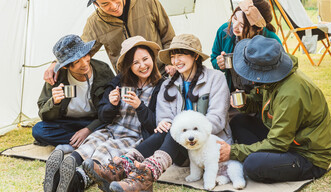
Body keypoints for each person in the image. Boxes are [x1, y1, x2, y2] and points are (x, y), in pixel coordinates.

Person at [83, 34, 232, 192]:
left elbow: (217, 120)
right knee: (169, 128)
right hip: (181, 150)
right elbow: (164, 117)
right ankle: (122, 167)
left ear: (195, 56)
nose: (176, 61)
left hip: (209, 145)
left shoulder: (216, 79)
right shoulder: (168, 84)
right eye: (173, 57)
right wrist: (164, 122)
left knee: (175, 129)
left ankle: (144, 174)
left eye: (181, 55)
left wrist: (180, 127)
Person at [43, 36, 164, 192]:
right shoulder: (120, 81)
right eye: (135, 63)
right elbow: (104, 115)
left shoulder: (160, 86)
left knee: (105, 149)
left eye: (145, 59)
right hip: (110, 128)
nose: (142, 66)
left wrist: (139, 106)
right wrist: (111, 105)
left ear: (153, 59)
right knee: (93, 141)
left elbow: (156, 125)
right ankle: (67, 167)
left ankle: (75, 179)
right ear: (129, 66)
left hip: (134, 135)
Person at [217, 35, 331, 183]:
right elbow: (261, 101)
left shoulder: (291, 93)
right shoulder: (274, 79)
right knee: (239, 121)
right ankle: (264, 157)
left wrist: (233, 152)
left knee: (253, 165)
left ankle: (265, 160)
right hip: (288, 140)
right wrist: (245, 102)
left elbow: (278, 143)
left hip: (308, 156)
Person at [44, 0, 176, 85]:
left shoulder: (147, 1)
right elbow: (80, 51)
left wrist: (171, 63)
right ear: (95, 4)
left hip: (162, 74)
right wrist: (55, 64)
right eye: (104, 4)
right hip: (130, 83)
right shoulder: (94, 23)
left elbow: (168, 35)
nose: (113, 6)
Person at [32, 34, 114, 152]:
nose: (85, 63)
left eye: (86, 55)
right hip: (67, 122)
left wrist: (88, 129)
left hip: (95, 121)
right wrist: (54, 102)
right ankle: (87, 142)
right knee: (39, 130)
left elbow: (110, 109)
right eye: (77, 61)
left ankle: (75, 142)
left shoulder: (102, 70)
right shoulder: (56, 76)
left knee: (112, 125)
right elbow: (44, 115)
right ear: (66, 67)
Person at [211, 0, 281, 92]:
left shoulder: (271, 40)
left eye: (242, 25)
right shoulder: (224, 31)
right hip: (233, 93)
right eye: (235, 19)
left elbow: (280, 71)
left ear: (258, 29)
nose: (234, 27)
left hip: (261, 94)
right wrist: (219, 63)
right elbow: (214, 58)